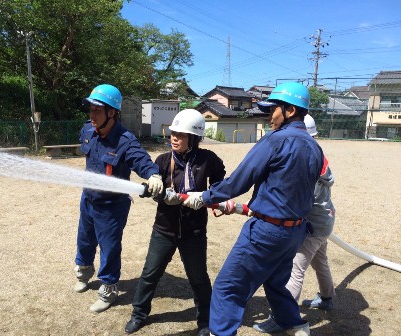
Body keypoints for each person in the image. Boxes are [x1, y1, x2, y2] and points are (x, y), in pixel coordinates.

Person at [183, 82, 324, 336]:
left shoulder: (275, 140)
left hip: (267, 232)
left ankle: (221, 332)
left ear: (290, 110)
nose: (269, 115)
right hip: (296, 232)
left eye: (273, 109)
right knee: (275, 281)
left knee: (228, 288)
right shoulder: (315, 147)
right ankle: (293, 325)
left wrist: (204, 196)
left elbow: (239, 181)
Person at [124, 109, 227, 336]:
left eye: (180, 134)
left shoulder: (208, 159)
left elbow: (221, 180)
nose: (174, 138)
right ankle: (139, 314)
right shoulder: (162, 160)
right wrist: (159, 193)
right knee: (150, 274)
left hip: (195, 231)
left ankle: (205, 322)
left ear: (194, 138)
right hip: (164, 229)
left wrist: (209, 196)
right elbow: (154, 186)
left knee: (199, 278)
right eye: (173, 133)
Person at [73, 83, 163, 313]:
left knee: (109, 247)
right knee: (84, 240)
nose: (92, 115)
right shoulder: (87, 130)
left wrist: (153, 175)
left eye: (97, 110)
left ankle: (108, 288)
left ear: (111, 112)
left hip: (112, 207)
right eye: (90, 109)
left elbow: (142, 161)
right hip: (88, 199)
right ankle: (83, 273)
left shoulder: (125, 140)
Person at [252, 114, 336, 333]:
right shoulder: (319, 156)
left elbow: (297, 198)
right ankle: (327, 297)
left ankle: (282, 318)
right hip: (325, 220)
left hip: (311, 224)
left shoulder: (305, 158)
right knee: (321, 261)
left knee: (295, 271)